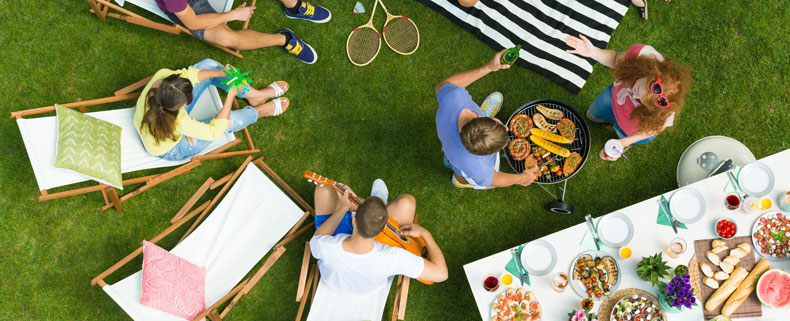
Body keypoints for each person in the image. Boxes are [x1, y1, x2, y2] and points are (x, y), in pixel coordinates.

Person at [564, 35, 691, 161]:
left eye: (641, 100)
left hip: (631, 126)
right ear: (649, 73)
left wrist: (625, 141)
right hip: (612, 97)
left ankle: (622, 140)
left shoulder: (666, 113)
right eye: (637, 88)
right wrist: (593, 52)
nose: (634, 96)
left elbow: (652, 130)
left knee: (621, 133)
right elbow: (615, 59)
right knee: (592, 115)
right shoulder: (642, 55)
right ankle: (604, 118)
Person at [310, 179, 448, 295]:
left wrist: (341, 209)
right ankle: (376, 205)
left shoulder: (326, 246)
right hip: (369, 290)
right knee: (407, 202)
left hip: (333, 284)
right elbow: (441, 274)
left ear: (354, 221)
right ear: (383, 229)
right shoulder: (393, 257)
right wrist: (426, 234)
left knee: (323, 190)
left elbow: (318, 237)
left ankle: (369, 205)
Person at [134, 58, 290, 161]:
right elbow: (214, 132)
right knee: (227, 122)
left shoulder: (162, 78)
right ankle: (259, 111)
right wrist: (230, 97)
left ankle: (255, 95)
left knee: (208, 65)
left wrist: (218, 72)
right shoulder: (180, 122)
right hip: (171, 148)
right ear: (181, 106)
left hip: (160, 123)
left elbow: (188, 74)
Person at [435, 50, 538, 189]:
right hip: (460, 162)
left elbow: (445, 84)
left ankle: (451, 162)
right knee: (462, 172)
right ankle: (460, 181)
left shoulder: (453, 97)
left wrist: (489, 67)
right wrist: (523, 178)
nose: (506, 128)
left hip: (448, 143)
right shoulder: (478, 166)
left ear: (478, 118)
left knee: (451, 158)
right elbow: (495, 179)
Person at [155, 0, 331, 64]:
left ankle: (294, 6)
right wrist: (232, 15)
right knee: (226, 38)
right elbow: (193, 22)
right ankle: (285, 39)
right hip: (189, 7)